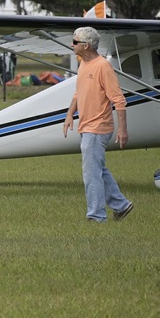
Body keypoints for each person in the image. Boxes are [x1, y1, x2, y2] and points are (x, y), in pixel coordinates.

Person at [62, 26, 133, 223]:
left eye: (75, 42)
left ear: (85, 45)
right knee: (98, 169)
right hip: (86, 126)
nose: (71, 45)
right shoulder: (83, 64)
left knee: (91, 174)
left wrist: (123, 130)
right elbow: (78, 93)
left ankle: (96, 216)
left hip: (98, 128)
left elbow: (118, 99)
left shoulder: (103, 66)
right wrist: (69, 115)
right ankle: (121, 205)